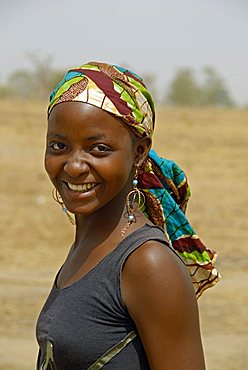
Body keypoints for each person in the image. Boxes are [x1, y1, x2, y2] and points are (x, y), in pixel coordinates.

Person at [36, 61, 220, 370]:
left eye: (98, 149)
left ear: (139, 153)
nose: (74, 165)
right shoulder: (91, 245)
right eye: (59, 146)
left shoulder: (148, 263)